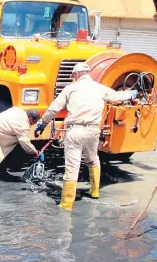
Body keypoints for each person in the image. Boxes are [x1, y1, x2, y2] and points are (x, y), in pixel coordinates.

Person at [34, 62, 139, 211]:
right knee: (92, 158)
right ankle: (95, 191)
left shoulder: (71, 88)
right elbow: (117, 97)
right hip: (93, 131)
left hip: (75, 131)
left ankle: (66, 204)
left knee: (72, 167)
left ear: (76, 75)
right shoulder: (99, 88)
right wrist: (132, 94)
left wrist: (41, 124)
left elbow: (54, 109)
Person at [0, 107, 43, 187]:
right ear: (30, 118)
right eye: (34, 122)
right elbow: (25, 143)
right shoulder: (23, 125)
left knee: (3, 150)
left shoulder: (17, 110)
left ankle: (1, 173)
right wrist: (35, 152)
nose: (32, 125)